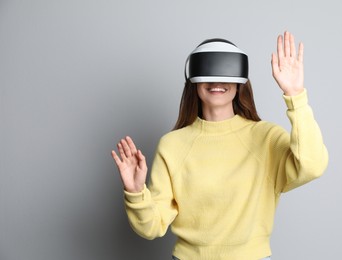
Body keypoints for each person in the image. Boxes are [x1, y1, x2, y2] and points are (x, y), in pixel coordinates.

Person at [111, 31, 328, 260]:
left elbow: (312, 166)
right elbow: (151, 227)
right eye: (207, 72)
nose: (216, 81)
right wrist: (135, 193)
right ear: (193, 80)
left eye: (225, 71)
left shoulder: (266, 138)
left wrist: (295, 95)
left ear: (240, 81)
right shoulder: (172, 145)